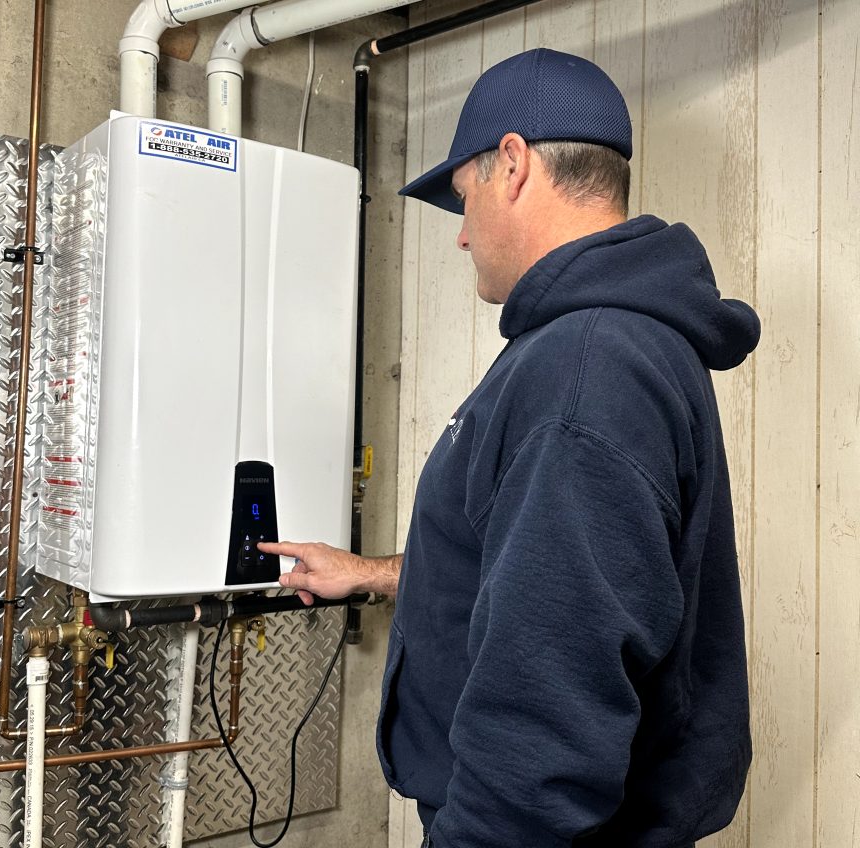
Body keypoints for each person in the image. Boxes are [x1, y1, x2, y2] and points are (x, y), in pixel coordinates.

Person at [260, 47, 758, 848]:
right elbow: (536, 571)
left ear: (515, 165)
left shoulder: (585, 369)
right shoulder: (601, 348)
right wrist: (376, 573)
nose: (460, 238)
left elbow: (545, 726)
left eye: (464, 198)